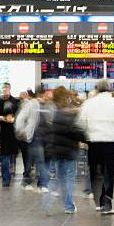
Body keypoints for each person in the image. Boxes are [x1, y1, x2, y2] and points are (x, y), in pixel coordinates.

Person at [76, 79, 114, 215]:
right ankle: (106, 204)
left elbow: (80, 123)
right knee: (108, 173)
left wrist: (85, 136)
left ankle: (98, 202)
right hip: (110, 142)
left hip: (93, 142)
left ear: (98, 88)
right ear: (111, 89)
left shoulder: (88, 103)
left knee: (95, 172)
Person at [44, 86, 85, 214]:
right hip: (69, 150)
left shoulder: (53, 111)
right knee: (69, 178)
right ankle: (68, 206)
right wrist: (84, 138)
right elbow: (74, 132)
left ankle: (47, 204)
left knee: (57, 178)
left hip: (56, 149)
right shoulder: (69, 113)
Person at [15, 89, 53, 192]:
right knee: (37, 161)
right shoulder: (32, 105)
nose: (48, 96)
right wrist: (21, 131)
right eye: (46, 94)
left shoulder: (50, 106)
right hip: (35, 138)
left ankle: (43, 184)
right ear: (40, 95)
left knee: (45, 161)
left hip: (48, 138)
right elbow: (20, 118)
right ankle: (27, 181)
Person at [0, 83, 20, 187]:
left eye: (6, 89)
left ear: (10, 89)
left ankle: (10, 173)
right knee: (4, 157)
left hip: (13, 133)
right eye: (3, 89)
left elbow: (19, 116)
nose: (4, 91)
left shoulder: (16, 102)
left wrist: (14, 119)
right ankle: (6, 179)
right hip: (3, 132)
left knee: (12, 156)